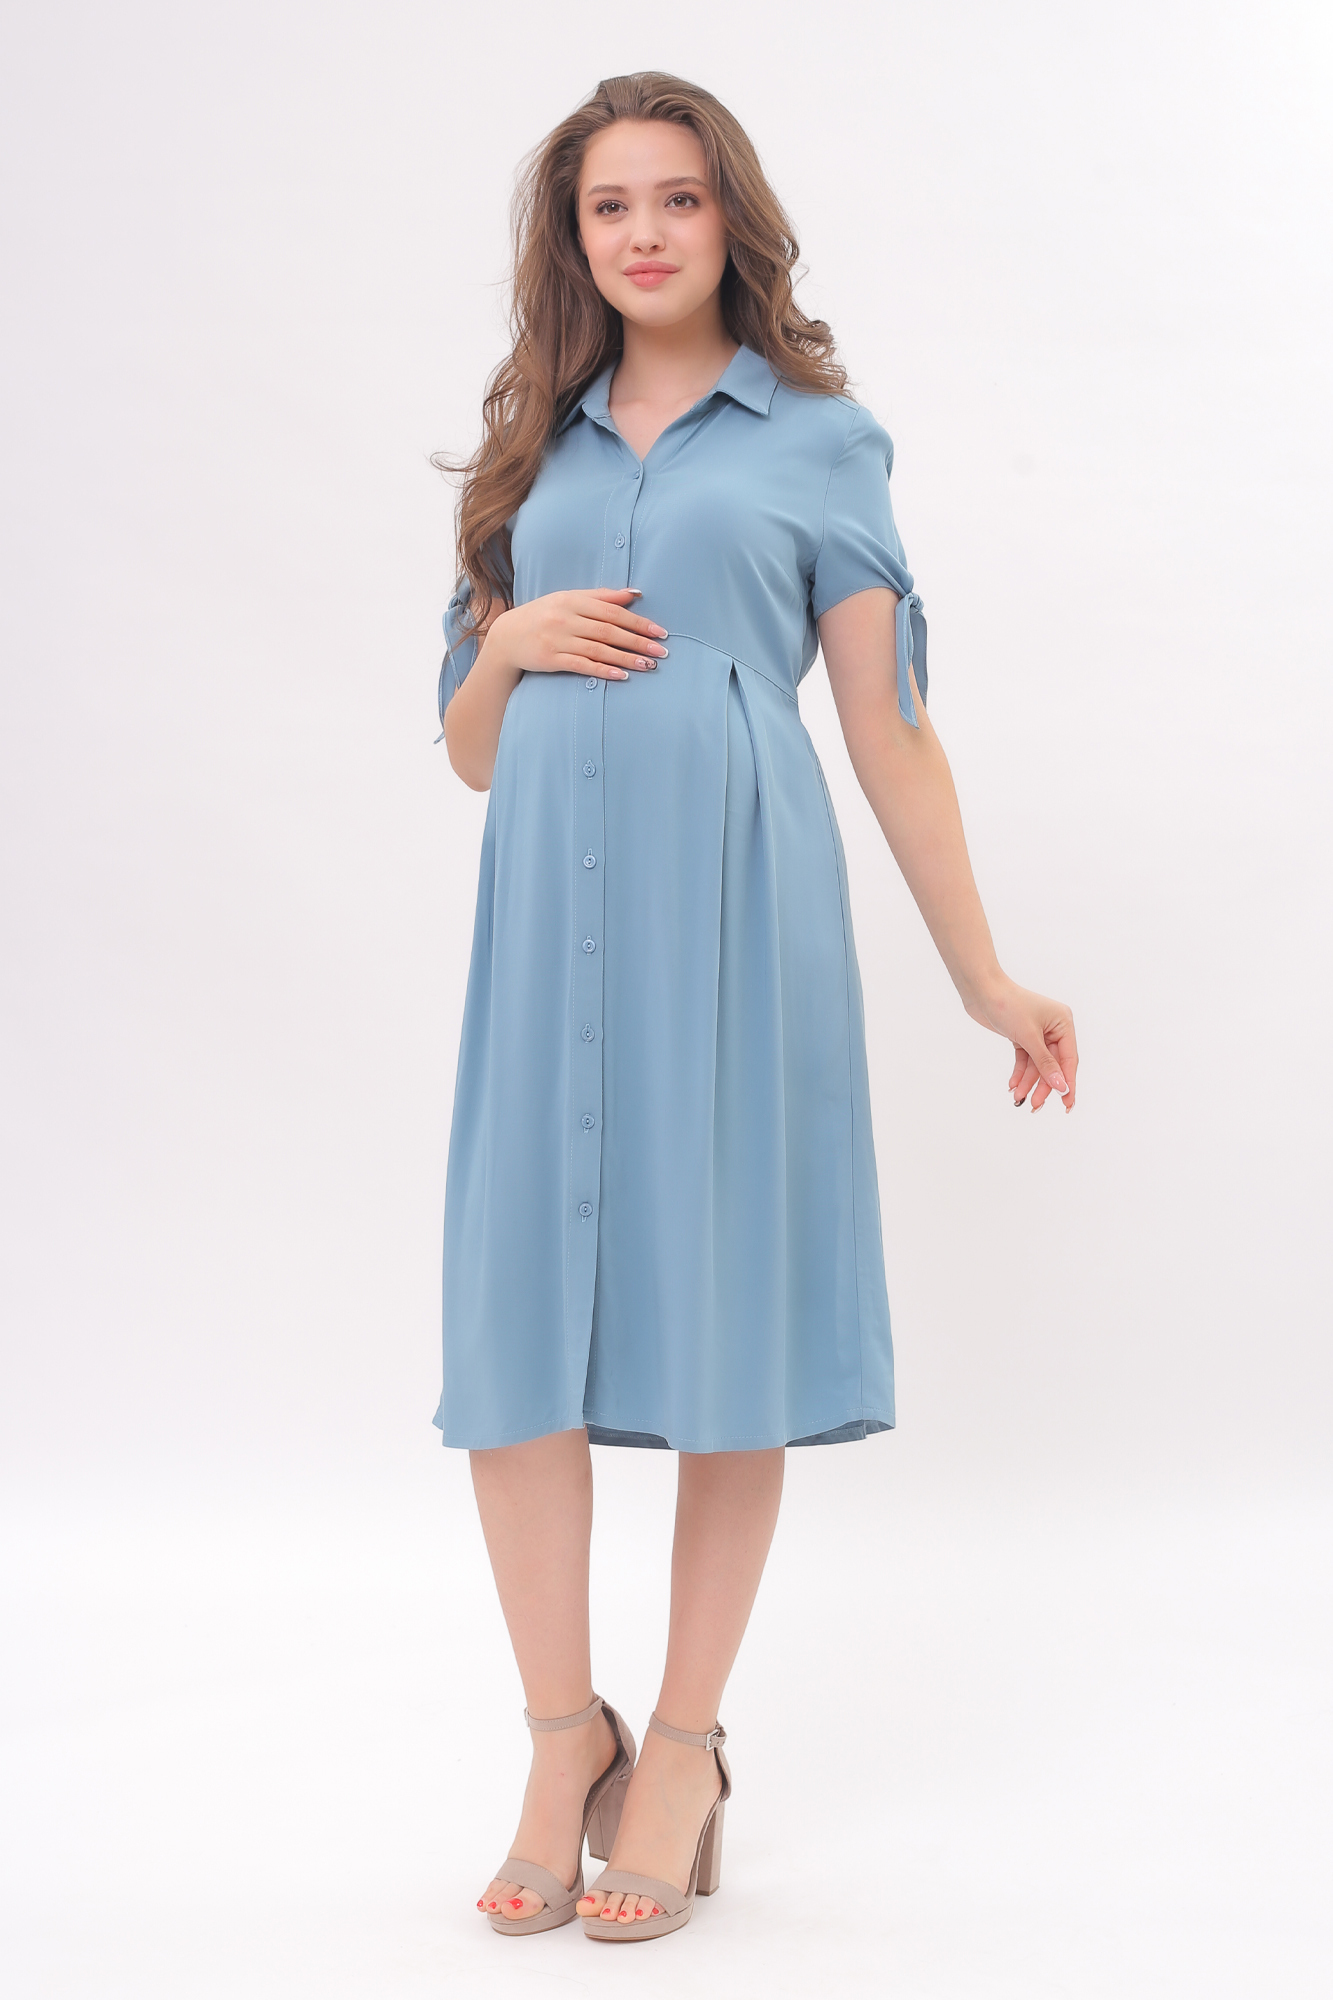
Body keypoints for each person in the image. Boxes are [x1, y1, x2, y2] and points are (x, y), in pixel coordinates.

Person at [432, 72, 1078, 1945]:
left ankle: (684, 1750)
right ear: (571, 240)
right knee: (513, 1335)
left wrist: (983, 976)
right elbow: (469, 752)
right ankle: (561, 1738)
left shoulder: (818, 443)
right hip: (540, 937)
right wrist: (513, 643)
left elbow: (888, 732)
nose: (642, 233)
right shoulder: (526, 453)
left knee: (722, 1330)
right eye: (607, 206)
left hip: (729, 930)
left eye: (676, 199)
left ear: (733, 221)